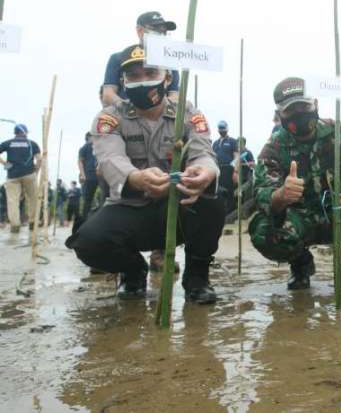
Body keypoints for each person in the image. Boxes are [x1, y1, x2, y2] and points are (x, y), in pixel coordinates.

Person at [66, 44, 224, 302]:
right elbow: (110, 159)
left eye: (150, 72)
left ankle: (197, 278)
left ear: (167, 78)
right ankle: (133, 271)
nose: (142, 82)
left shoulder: (188, 113)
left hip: (176, 205)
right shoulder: (109, 118)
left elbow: (203, 151)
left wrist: (205, 171)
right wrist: (137, 179)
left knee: (213, 201)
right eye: (133, 76)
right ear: (123, 81)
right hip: (129, 207)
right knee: (88, 241)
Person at [248, 77, 341, 292]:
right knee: (262, 229)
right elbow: (261, 192)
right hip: (300, 220)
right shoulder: (274, 148)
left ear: (315, 104)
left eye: (303, 106)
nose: (299, 113)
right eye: (291, 110)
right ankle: (300, 263)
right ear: (280, 115)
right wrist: (279, 195)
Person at [100, 11, 180, 107]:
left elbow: (174, 96)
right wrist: (128, 109)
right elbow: (108, 94)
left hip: (159, 118)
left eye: (164, 31)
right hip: (125, 118)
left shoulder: (170, 62)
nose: (161, 34)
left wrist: (156, 111)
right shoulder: (119, 58)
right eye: (155, 29)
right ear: (140, 30)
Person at [0, 124, 42, 233]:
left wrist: (5, 164)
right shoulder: (32, 143)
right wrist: (36, 171)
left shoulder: (8, 143)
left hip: (12, 175)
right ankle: (33, 223)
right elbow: (39, 159)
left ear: (15, 133)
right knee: (33, 198)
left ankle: (15, 226)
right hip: (29, 174)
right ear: (25, 132)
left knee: (12, 201)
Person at [212, 121, 238, 213]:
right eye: (220, 128)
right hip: (218, 169)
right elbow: (213, 157)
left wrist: (236, 171)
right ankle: (220, 211)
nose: (221, 130)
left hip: (229, 169)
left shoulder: (232, 141)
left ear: (227, 128)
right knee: (218, 190)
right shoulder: (215, 143)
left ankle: (230, 212)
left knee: (229, 190)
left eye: (223, 128)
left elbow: (236, 156)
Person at [78, 132, 100, 216]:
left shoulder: (99, 146)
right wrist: (83, 175)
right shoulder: (85, 147)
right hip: (89, 176)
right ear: (88, 137)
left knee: (103, 197)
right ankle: (84, 219)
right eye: (93, 136)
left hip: (100, 176)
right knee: (88, 200)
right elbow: (80, 161)